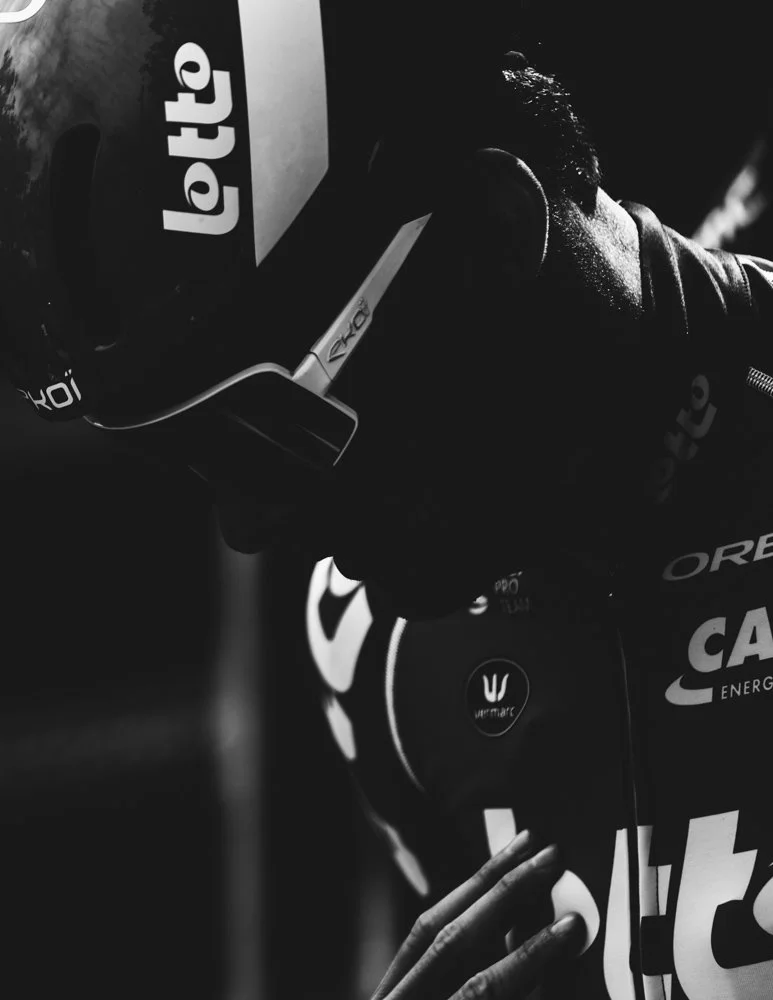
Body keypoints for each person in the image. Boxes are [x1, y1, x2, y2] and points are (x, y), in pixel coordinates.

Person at [6, 0, 773, 996]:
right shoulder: (366, 644)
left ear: (493, 236)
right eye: (200, 465)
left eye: (271, 435)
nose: (249, 527)